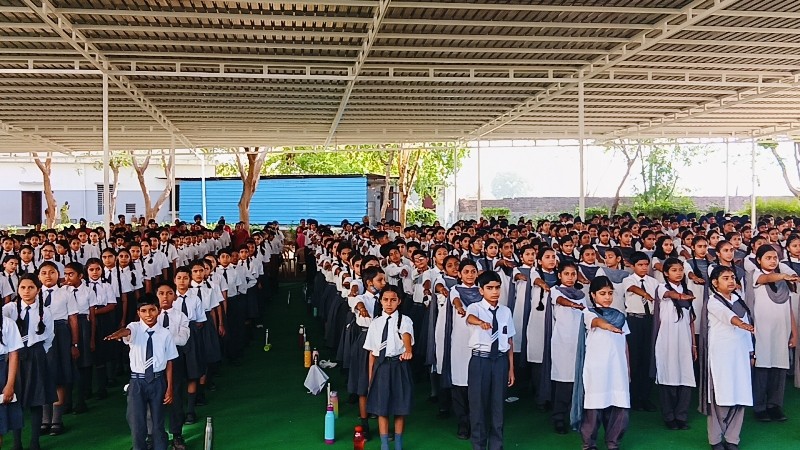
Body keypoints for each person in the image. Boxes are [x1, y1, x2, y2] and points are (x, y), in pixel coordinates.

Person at [106, 295, 178, 450]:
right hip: (137, 381)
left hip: (158, 380)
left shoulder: (165, 334)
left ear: (159, 311)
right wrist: (118, 334)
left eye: (152, 310)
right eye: (144, 311)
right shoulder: (135, 327)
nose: (148, 314)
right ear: (138, 313)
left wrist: (169, 388)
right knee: (137, 422)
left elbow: (170, 362)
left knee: (158, 422)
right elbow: (126, 331)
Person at [571, 276, 630, 450]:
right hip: (596, 368)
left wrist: (627, 367)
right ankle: (589, 444)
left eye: (610, 293)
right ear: (593, 295)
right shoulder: (588, 313)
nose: (607, 297)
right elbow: (596, 322)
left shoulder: (620, 316)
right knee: (594, 405)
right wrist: (608, 326)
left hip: (618, 367)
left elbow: (625, 344)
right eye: (602, 293)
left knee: (619, 404)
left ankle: (613, 442)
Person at [703, 266, 755, 450]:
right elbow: (728, 316)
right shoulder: (713, 301)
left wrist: (751, 352)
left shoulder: (739, 300)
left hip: (740, 355)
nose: (731, 281)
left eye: (732, 277)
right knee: (721, 397)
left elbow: (747, 328)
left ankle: (733, 439)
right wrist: (740, 323)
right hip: (721, 357)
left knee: (740, 395)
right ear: (715, 283)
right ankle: (716, 440)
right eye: (726, 278)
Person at [465, 270, 515, 450]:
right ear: (481, 290)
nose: (494, 291)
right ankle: (478, 446)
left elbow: (509, 341)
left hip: (500, 361)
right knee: (478, 405)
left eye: (497, 287)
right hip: (481, 361)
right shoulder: (475, 308)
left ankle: (496, 446)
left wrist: (511, 369)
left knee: (498, 406)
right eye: (489, 288)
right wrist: (481, 322)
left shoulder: (505, 311)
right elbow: (470, 318)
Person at [6, 274, 55, 450]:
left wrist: (37, 353)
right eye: (23, 288)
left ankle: (35, 442)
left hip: (36, 356)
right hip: (14, 357)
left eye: (31, 287)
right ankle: (16, 443)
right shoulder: (10, 309)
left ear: (38, 290)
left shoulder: (45, 311)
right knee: (15, 400)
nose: (26, 291)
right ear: (18, 290)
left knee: (36, 399)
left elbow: (49, 337)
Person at [364, 285, 414, 450]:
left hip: (399, 365)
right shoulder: (375, 323)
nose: (389, 303)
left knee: (400, 407)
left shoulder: (405, 320)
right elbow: (372, 353)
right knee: (382, 408)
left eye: (393, 300)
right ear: (380, 301)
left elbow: (406, 335)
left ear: (399, 301)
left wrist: (408, 350)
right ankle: (384, 445)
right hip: (382, 367)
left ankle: (398, 444)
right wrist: (370, 377)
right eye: (385, 300)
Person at [653, 258, 696, 430]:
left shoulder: (688, 291)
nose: (678, 273)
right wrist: (679, 296)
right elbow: (668, 295)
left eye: (680, 270)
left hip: (685, 340)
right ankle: (669, 416)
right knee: (668, 376)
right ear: (665, 273)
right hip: (667, 340)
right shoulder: (661, 288)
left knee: (685, 377)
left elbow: (691, 321)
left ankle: (681, 415)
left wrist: (694, 345)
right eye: (674, 270)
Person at [154, 281, 190, 450]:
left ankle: (177, 434)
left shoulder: (181, 316)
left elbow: (182, 340)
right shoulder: (150, 315)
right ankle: (153, 435)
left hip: (175, 360)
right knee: (154, 398)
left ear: (174, 297)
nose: (165, 297)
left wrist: (160, 338)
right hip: (154, 361)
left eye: (169, 293)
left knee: (175, 397)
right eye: (161, 293)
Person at [620, 251, 658, 411]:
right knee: (634, 358)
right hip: (634, 320)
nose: (644, 268)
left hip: (650, 320)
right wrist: (646, 295)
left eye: (646, 265)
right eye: (640, 265)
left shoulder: (654, 282)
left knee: (648, 358)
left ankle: (645, 397)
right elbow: (633, 288)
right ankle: (634, 396)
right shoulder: (627, 280)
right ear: (633, 266)